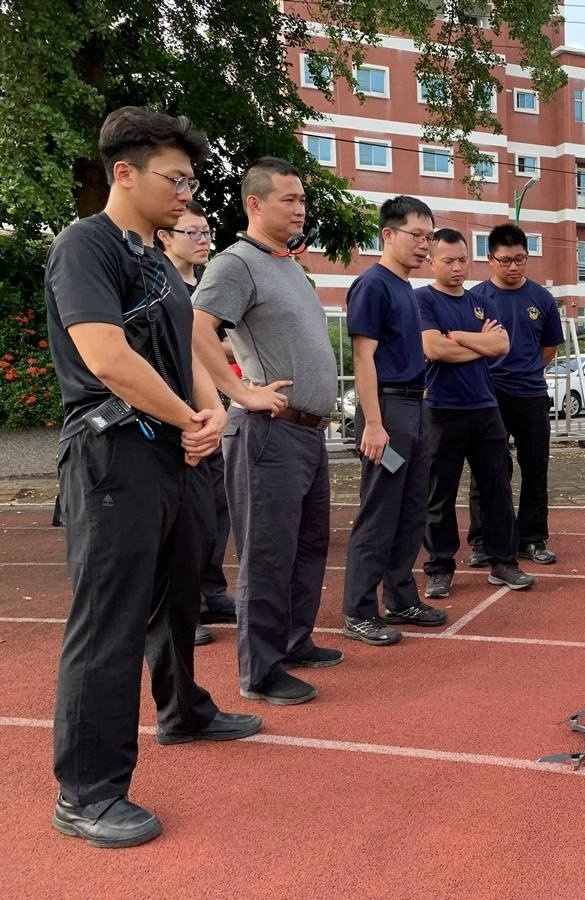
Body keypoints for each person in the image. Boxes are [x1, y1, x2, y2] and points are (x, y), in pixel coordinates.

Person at [45, 106, 261, 849]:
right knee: (107, 623)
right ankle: (87, 791)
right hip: (115, 455)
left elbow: (192, 353)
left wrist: (212, 416)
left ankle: (185, 711)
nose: (187, 193)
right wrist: (184, 418)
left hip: (177, 454)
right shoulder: (85, 247)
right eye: (175, 178)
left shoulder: (160, 266)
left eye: (192, 181)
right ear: (124, 172)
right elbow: (106, 357)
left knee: (179, 601)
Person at [192, 156, 340, 706]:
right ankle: (260, 671)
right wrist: (243, 392)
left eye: (302, 200)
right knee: (267, 553)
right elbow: (196, 327)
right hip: (268, 433)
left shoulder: (286, 264)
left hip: (307, 434)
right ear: (254, 204)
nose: (300, 209)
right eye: (289, 200)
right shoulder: (236, 263)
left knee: (308, 546)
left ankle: (295, 641)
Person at [341, 196, 447, 647]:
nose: (425, 245)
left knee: (412, 508)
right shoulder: (373, 285)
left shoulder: (405, 287)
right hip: (388, 410)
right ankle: (359, 609)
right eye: (416, 235)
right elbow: (362, 357)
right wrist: (373, 423)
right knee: (380, 510)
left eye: (429, 236)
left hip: (415, 408)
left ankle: (401, 597)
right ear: (388, 234)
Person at [416, 228, 535, 598]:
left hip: (485, 407)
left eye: (462, 259)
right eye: (448, 260)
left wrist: (457, 336)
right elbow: (433, 349)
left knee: (497, 488)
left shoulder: (483, 301)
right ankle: (439, 566)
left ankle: (504, 562)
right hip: (441, 408)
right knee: (439, 493)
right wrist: (474, 342)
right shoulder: (422, 300)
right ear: (432, 261)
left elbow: (501, 344)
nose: (457, 267)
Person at [154, 201, 237, 648]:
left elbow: (223, 345)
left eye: (207, 233)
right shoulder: (158, 285)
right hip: (173, 413)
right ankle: (178, 605)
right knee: (180, 515)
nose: (204, 240)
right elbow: (196, 347)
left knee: (214, 508)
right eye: (194, 233)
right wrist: (220, 349)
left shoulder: (207, 286)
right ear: (165, 237)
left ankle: (211, 592)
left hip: (211, 409)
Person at [466, 223, 564, 568]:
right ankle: (483, 539)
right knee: (487, 470)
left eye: (520, 259)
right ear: (490, 259)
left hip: (532, 394)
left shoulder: (542, 298)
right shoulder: (476, 299)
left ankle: (532, 537)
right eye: (505, 260)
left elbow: (549, 346)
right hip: (487, 396)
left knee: (535, 467)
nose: (513, 267)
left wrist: (529, 369)